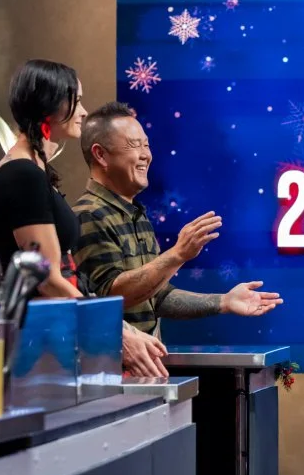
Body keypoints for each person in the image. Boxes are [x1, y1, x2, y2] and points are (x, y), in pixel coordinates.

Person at [0, 59, 169, 378]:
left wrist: (121, 328)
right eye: (76, 101)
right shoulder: (21, 174)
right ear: (50, 106)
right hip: (39, 350)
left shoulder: (34, 170)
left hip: (56, 340)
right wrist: (116, 331)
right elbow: (47, 279)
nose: (83, 112)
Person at [72, 101, 282, 339]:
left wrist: (223, 302)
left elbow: (156, 296)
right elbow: (110, 297)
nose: (146, 156)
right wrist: (177, 254)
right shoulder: (89, 214)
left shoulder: (135, 213)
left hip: (148, 359)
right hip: (110, 360)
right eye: (134, 145)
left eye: (146, 145)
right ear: (100, 155)